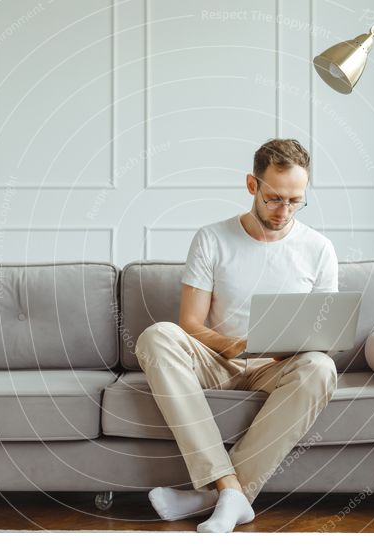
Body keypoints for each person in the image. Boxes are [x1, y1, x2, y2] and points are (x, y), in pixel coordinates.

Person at [134, 138, 339, 533]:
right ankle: (230, 489)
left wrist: (288, 348)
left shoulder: (319, 249)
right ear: (252, 185)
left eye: (295, 201)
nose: (284, 211)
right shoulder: (212, 238)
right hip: (218, 361)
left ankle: (219, 497)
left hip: (278, 367)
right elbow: (190, 323)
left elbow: (322, 330)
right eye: (274, 198)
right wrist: (239, 345)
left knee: (321, 366)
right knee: (158, 335)